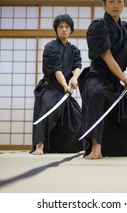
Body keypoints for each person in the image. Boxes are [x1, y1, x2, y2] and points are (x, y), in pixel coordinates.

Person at [78, 0, 127, 159]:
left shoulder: (126, 28)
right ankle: (96, 147)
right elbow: (108, 57)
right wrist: (125, 79)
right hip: (97, 76)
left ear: (124, 4)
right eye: (111, 1)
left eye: (119, 1)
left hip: (116, 80)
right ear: (104, 4)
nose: (115, 5)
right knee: (97, 95)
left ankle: (120, 148)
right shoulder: (97, 26)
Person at [32, 14, 83, 155]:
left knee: (78, 114)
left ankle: (67, 147)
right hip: (49, 88)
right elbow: (57, 70)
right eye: (60, 27)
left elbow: (77, 66)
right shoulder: (50, 47)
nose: (64, 30)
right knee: (49, 108)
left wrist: (74, 78)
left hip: (63, 89)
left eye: (67, 27)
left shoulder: (74, 50)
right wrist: (65, 86)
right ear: (56, 30)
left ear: (71, 30)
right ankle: (39, 146)